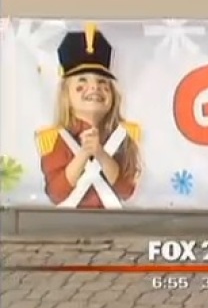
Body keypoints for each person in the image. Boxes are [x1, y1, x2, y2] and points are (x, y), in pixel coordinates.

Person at [35, 24, 142, 209]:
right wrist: (84, 154)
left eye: (102, 82)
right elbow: (56, 192)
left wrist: (100, 153)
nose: (94, 88)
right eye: (82, 82)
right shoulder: (55, 139)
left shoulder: (124, 137)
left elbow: (126, 190)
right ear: (66, 95)